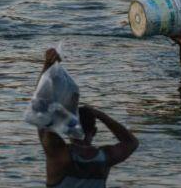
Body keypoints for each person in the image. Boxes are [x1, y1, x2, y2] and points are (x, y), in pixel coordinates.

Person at [37, 48, 139, 188]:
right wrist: (100, 115)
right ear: (94, 131)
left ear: (68, 128)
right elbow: (131, 142)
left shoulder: (59, 154)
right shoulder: (104, 158)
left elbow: (40, 113)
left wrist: (47, 66)